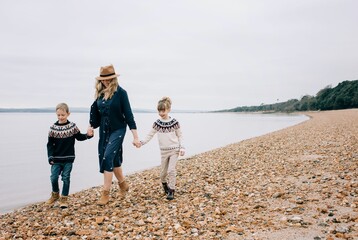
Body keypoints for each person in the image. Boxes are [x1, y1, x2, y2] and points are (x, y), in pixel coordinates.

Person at [89, 64, 140, 205]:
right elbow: (95, 114)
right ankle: (123, 184)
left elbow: (129, 115)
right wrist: (91, 127)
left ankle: (105, 193)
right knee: (114, 159)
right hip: (104, 131)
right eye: (103, 79)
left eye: (109, 79)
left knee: (108, 156)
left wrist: (135, 136)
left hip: (118, 129)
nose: (105, 82)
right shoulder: (99, 94)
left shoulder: (121, 93)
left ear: (114, 78)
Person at [47, 103, 94, 208]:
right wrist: (50, 157)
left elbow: (79, 137)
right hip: (56, 159)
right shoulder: (53, 128)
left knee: (66, 178)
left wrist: (88, 135)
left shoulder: (72, 126)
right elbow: (50, 145)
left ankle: (64, 199)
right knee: (53, 178)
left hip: (68, 158)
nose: (60, 117)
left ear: (68, 114)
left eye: (62, 115)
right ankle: (55, 194)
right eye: (58, 115)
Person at [139, 96, 185, 200]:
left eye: (163, 110)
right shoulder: (157, 123)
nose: (161, 113)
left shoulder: (175, 122)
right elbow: (150, 135)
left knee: (171, 170)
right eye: (159, 111)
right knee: (163, 174)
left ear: (169, 109)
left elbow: (180, 135)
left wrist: (182, 147)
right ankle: (165, 185)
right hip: (164, 152)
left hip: (174, 150)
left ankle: (172, 191)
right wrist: (141, 143)